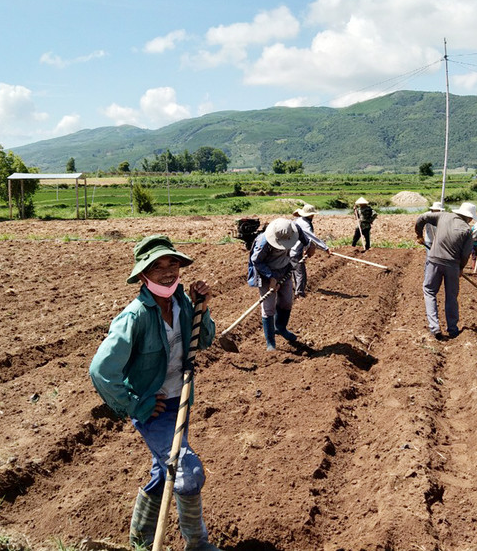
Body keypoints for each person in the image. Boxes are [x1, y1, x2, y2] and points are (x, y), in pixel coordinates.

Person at [89, 235, 221, 551]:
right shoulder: (134, 316)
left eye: (172, 263)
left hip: (181, 400)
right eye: (156, 266)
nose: (166, 272)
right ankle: (197, 543)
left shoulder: (182, 303)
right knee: (186, 473)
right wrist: (135, 405)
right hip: (155, 409)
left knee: (165, 472)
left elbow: (203, 341)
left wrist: (202, 307)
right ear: (143, 274)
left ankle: (140, 538)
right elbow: (101, 370)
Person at [414, 201, 475, 340]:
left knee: (429, 291)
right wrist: (460, 269)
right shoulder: (467, 230)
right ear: (469, 218)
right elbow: (466, 254)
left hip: (434, 260)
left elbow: (422, 218)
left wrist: (419, 234)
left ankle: (434, 327)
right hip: (453, 265)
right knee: (451, 296)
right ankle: (453, 329)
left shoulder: (443, 216)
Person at [248, 217, 311, 350]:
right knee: (268, 307)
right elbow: (256, 261)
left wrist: (310, 246)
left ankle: (281, 328)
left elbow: (306, 240)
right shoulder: (263, 242)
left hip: (285, 269)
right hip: (266, 273)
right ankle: (270, 342)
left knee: (287, 302)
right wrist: (271, 278)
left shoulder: (294, 229)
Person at [290, 203, 332, 298]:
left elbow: (304, 239)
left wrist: (306, 248)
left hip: (290, 250)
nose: (313, 216)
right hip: (294, 251)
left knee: (296, 272)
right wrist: (326, 248)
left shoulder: (299, 220)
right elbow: (312, 238)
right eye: (312, 214)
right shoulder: (305, 224)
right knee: (301, 274)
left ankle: (296, 289)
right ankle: (299, 293)